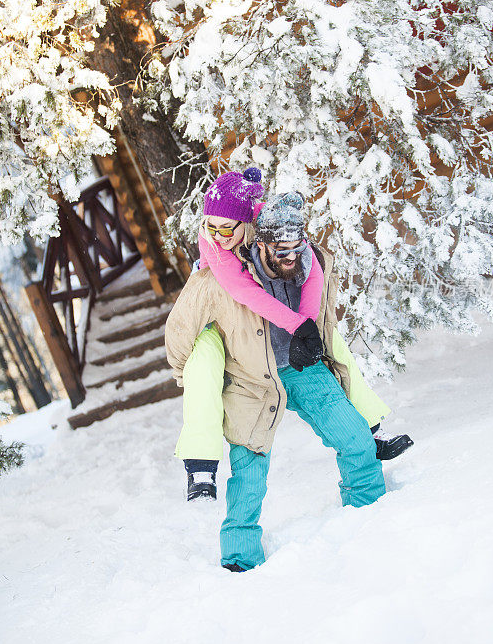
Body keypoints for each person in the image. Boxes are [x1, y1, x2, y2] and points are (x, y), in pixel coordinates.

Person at [166, 191, 393, 571]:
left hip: (302, 368)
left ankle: (372, 516)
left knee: (355, 438)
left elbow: (318, 304)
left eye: (296, 248)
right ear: (259, 241)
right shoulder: (215, 280)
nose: (290, 257)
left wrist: (311, 336)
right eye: (280, 251)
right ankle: (240, 559)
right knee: (249, 476)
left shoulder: (306, 260)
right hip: (249, 382)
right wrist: (198, 372)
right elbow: (179, 334)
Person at [175, 169, 411, 501]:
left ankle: (373, 429)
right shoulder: (212, 242)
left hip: (275, 333)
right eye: (209, 225)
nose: (216, 234)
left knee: (333, 344)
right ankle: (200, 463)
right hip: (228, 322)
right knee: (202, 365)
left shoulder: (267, 221)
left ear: (246, 222)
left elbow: (311, 264)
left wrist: (308, 326)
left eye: (225, 227)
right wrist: (296, 325)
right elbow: (243, 291)